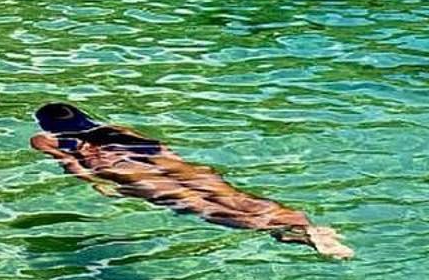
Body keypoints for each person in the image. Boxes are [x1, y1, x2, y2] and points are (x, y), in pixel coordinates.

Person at [30, 103, 353, 259]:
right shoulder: (116, 127)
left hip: (124, 169)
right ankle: (300, 223)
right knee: (232, 195)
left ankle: (285, 233)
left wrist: (93, 181)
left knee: (196, 204)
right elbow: (162, 148)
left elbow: (69, 162)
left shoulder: (45, 138)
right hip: (173, 163)